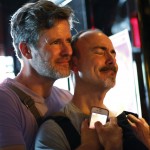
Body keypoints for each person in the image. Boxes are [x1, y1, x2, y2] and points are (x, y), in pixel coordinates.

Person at [0, 0, 75, 150]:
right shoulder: (5, 101)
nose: (68, 51)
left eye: (68, 40)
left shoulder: (67, 98)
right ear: (26, 50)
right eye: (55, 42)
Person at [35, 29, 123, 150]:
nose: (111, 60)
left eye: (113, 53)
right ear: (74, 64)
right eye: (99, 52)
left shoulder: (123, 122)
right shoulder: (53, 131)